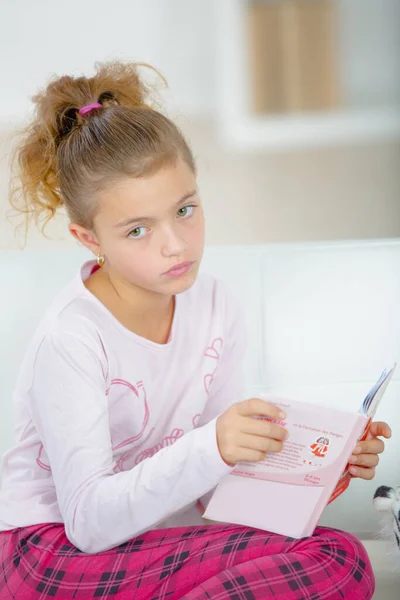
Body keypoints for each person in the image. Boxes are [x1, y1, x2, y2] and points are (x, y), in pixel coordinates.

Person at [0, 61, 390, 599]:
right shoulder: (72, 339)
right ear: (89, 239)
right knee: (334, 560)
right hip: (48, 553)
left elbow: (213, 499)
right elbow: (89, 524)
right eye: (138, 230)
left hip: (148, 542)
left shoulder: (214, 306)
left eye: (185, 209)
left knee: (337, 555)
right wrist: (214, 445)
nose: (175, 245)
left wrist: (318, 468)